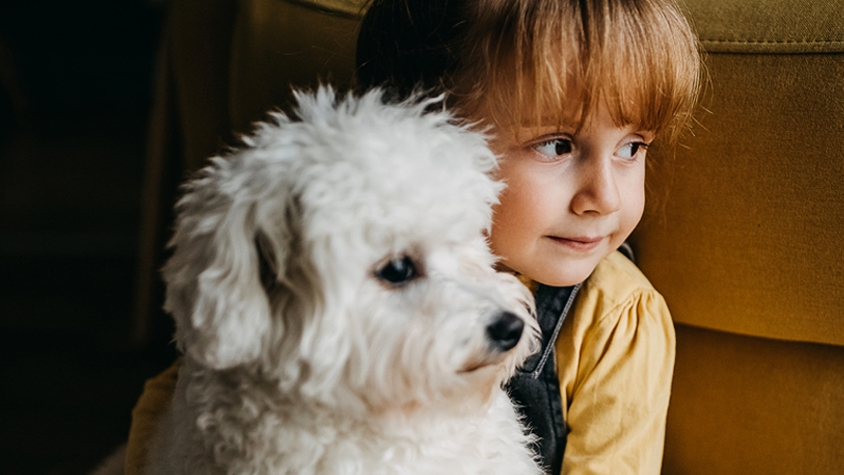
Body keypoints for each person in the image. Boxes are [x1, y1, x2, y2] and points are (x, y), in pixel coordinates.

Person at [125, 0, 701, 473]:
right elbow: (194, 381)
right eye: (557, 144)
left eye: (633, 147)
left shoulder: (616, 318)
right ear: (427, 130)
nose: (605, 196)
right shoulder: (348, 241)